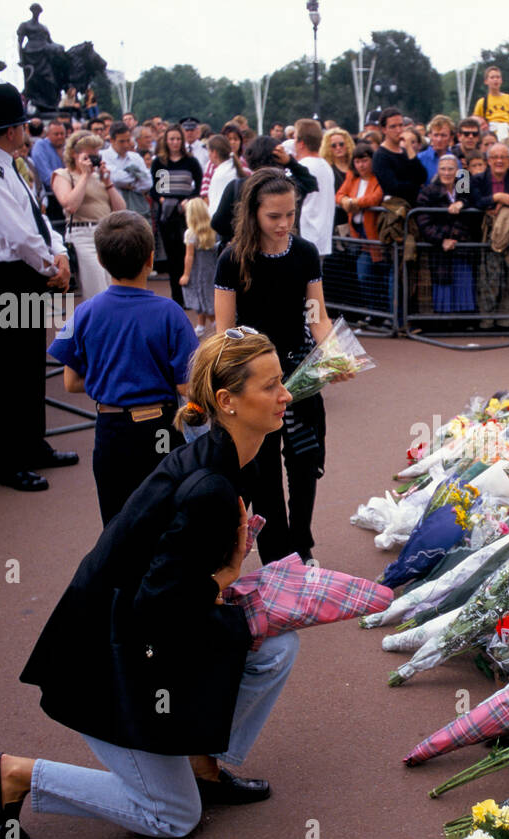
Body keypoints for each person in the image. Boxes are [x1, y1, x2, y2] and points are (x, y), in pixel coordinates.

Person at [0, 331, 300, 839]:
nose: (287, 394)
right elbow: (158, 607)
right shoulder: (208, 486)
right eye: (274, 385)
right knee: (174, 818)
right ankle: (14, 775)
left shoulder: (238, 454)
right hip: (106, 660)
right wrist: (224, 578)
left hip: (144, 637)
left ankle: (200, 763)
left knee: (276, 645)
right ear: (228, 402)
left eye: (282, 381)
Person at [0, 83, 76, 492]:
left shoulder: (4, 163)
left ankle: (33, 444)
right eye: (22, 125)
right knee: (10, 374)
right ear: (11, 129)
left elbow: (37, 221)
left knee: (27, 366)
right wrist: (53, 268)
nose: (26, 131)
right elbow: (21, 237)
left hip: (18, 275)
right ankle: (11, 463)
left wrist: (57, 253)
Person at [214, 169, 335, 565]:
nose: (285, 224)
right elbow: (225, 331)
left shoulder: (305, 253)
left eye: (290, 214)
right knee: (262, 473)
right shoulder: (232, 259)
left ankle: (302, 545)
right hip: (254, 380)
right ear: (253, 213)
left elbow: (317, 315)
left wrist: (335, 353)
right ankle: (277, 557)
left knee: (305, 463)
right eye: (274, 217)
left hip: (300, 375)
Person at [48, 211, 199, 523]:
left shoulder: (84, 312)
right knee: (166, 516)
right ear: (150, 258)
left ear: (101, 261)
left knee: (117, 524)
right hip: (160, 426)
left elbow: (71, 382)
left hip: (111, 430)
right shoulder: (170, 312)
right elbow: (186, 386)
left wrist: (115, 375)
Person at [52, 131, 125, 300]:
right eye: (88, 155)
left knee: (114, 287)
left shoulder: (99, 177)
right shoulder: (64, 175)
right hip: (83, 235)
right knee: (97, 289)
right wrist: (84, 175)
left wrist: (108, 183)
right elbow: (70, 205)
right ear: (73, 153)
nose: (92, 160)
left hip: (107, 234)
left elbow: (121, 209)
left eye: (95, 155)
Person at [473, 142, 509, 330]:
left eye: (503, 157)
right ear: (488, 160)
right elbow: (472, 201)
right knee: (488, 277)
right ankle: (487, 321)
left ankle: (505, 321)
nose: (499, 161)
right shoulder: (476, 179)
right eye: (495, 157)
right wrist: (496, 198)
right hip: (486, 235)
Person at [415, 154, 477, 321]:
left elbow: (473, 200)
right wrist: (442, 240)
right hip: (440, 246)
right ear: (438, 170)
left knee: (463, 282)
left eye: (451, 168)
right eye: (443, 168)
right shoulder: (429, 191)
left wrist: (461, 203)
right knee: (443, 283)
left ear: (458, 171)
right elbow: (423, 221)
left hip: (462, 244)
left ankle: (465, 320)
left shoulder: (463, 183)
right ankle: (444, 321)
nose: (447, 172)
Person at [152, 124, 203, 309]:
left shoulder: (191, 162)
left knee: (187, 255)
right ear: (166, 141)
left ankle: (190, 297)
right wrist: (163, 198)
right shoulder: (160, 162)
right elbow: (155, 189)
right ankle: (177, 298)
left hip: (186, 215)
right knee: (172, 258)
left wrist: (189, 199)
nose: (175, 142)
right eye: (171, 139)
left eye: (178, 139)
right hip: (167, 215)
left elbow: (198, 187)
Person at [335, 143, 385, 308]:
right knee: (364, 275)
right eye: (357, 161)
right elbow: (340, 194)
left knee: (380, 276)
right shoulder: (353, 177)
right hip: (360, 236)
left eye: (365, 160)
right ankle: (373, 312)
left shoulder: (460, 169)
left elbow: (375, 197)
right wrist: (345, 201)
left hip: (376, 236)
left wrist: (353, 202)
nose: (361, 165)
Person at [293, 119, 335, 263]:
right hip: (322, 239)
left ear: (301, 142)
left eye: (294, 137)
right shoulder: (326, 166)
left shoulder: (303, 166)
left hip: (305, 237)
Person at [180, 197, 217, 335]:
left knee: (200, 298)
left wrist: (186, 274)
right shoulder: (212, 230)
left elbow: (189, 256)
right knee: (207, 296)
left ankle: (216, 324)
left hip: (197, 272)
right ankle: (201, 325)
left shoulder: (190, 234)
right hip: (211, 269)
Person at [101, 121, 152, 217]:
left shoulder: (136, 157)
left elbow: (148, 183)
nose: (126, 145)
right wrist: (136, 177)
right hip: (111, 210)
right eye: (121, 141)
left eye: (128, 140)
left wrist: (127, 183)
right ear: (112, 140)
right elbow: (116, 178)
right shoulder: (103, 156)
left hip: (136, 210)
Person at [473, 66, 509, 139]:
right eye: (492, 77)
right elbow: (476, 121)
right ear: (486, 81)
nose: (495, 80)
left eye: (498, 77)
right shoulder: (482, 102)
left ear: (501, 80)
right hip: (491, 135)